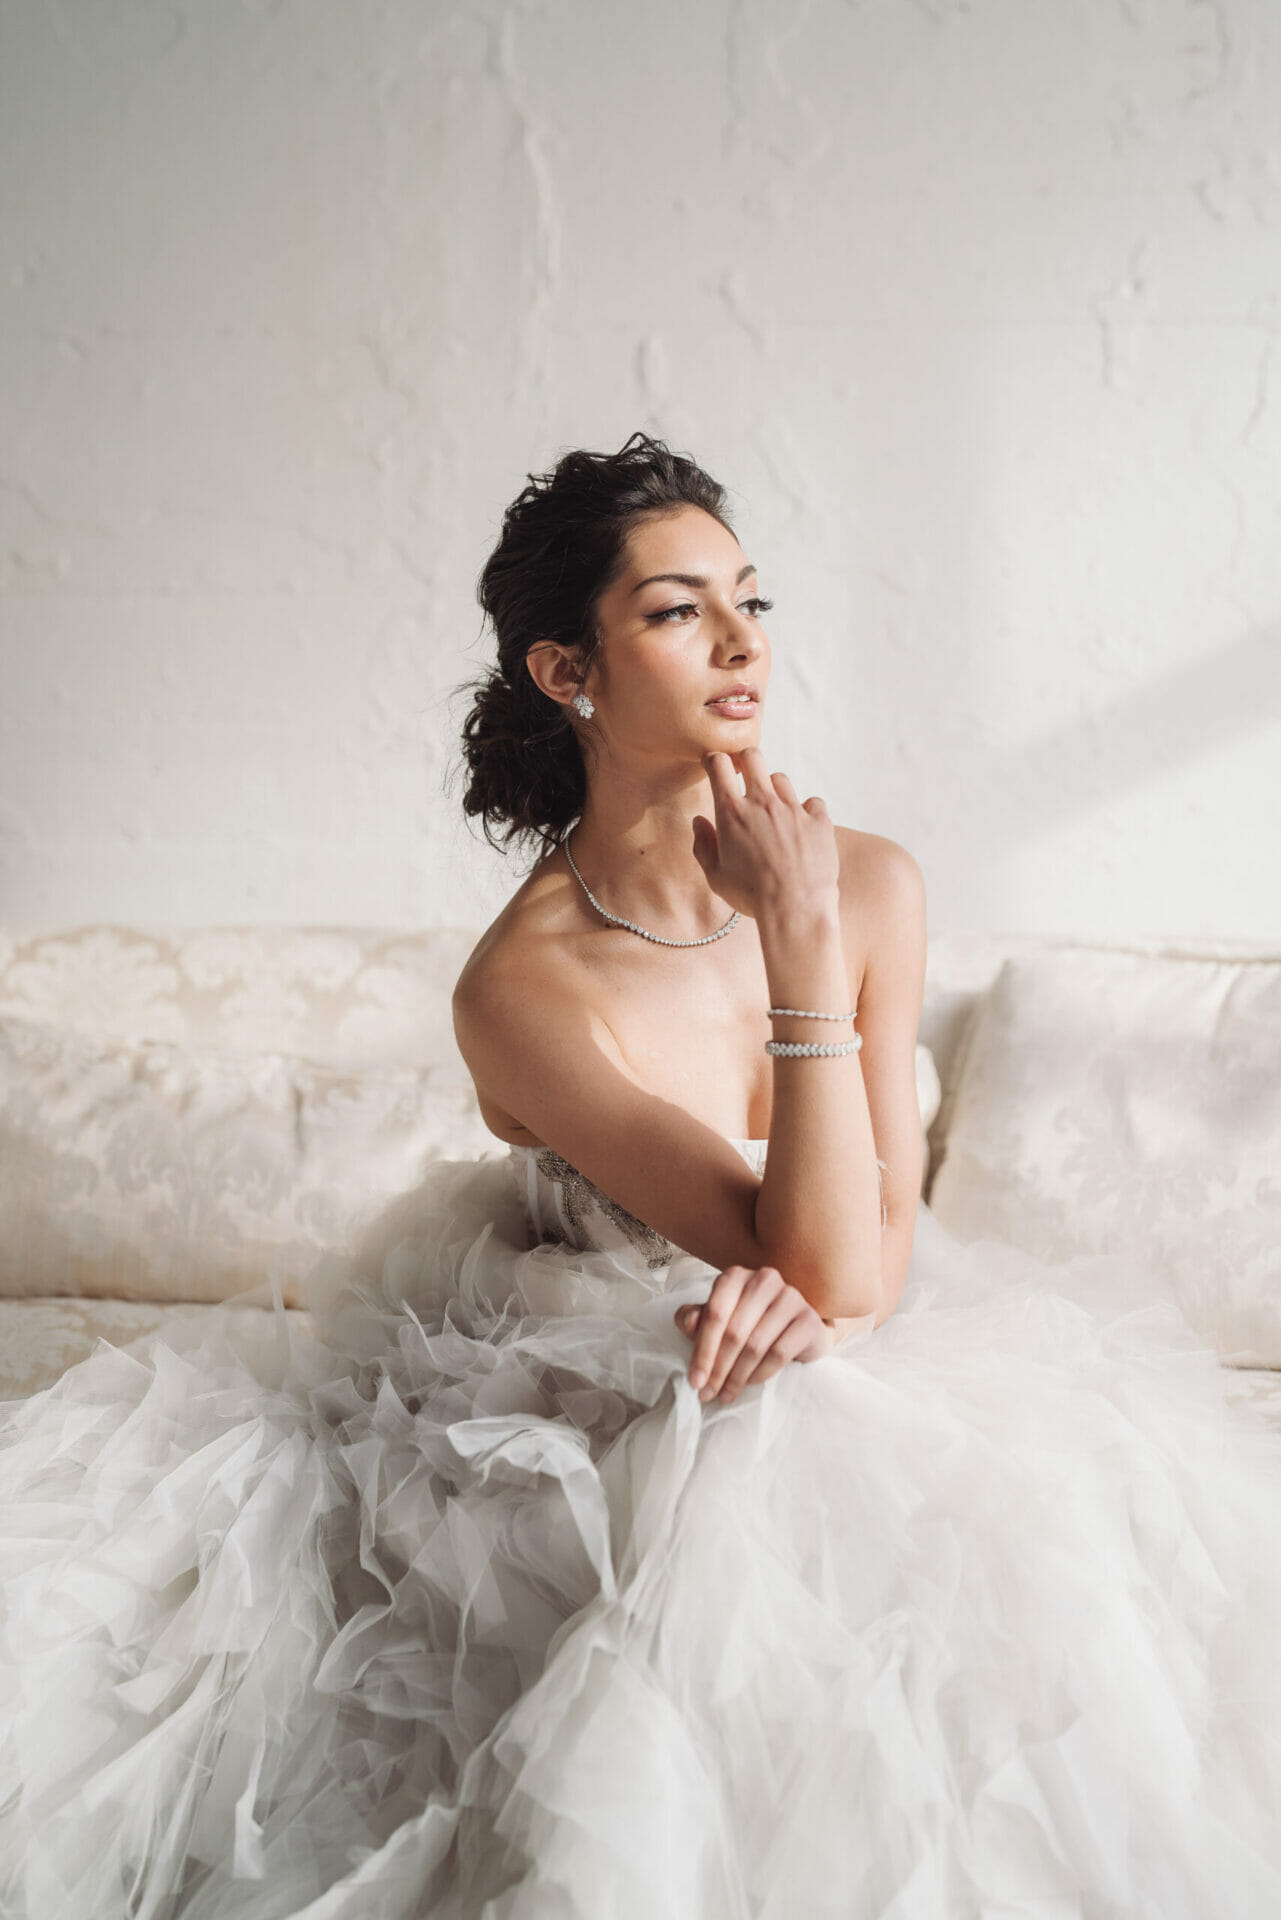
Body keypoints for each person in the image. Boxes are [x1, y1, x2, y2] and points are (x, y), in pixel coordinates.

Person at [1, 435, 1279, 1920]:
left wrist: (828, 1262)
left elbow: (867, 1254)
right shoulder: (526, 986)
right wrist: (800, 954)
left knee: (975, 1501)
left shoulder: (869, 880)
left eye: (750, 599)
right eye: (678, 611)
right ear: (568, 672)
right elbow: (818, 1260)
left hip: (872, 1322)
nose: (743, 642)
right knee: (771, 1435)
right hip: (610, 1371)